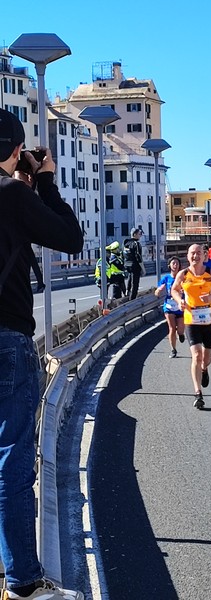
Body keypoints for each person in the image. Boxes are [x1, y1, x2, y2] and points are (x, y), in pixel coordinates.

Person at [0, 109, 84, 598]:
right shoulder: (11, 194)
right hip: (7, 339)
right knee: (11, 464)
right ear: (14, 150)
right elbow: (69, 237)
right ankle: (24, 582)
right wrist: (45, 182)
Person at [171, 244, 211, 408]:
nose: (195, 256)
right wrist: (180, 300)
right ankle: (198, 393)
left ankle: (204, 369)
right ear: (187, 255)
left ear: (204, 256)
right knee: (196, 355)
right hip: (191, 320)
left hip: (210, 321)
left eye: (198, 253)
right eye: (192, 253)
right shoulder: (183, 274)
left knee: (206, 358)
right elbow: (174, 290)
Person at [155, 257, 185, 358]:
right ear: (169, 265)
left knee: (180, 328)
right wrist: (159, 290)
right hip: (169, 306)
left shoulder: (183, 277)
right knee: (172, 328)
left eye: (177, 263)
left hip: (180, 305)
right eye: (173, 263)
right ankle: (173, 349)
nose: (175, 265)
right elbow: (156, 293)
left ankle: (181, 334)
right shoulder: (166, 278)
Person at [123, 227, 145, 300]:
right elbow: (138, 257)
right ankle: (132, 299)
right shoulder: (136, 244)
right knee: (135, 284)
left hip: (127, 264)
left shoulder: (126, 243)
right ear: (135, 234)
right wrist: (143, 269)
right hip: (135, 265)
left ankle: (127, 293)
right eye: (139, 234)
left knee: (130, 279)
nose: (140, 235)